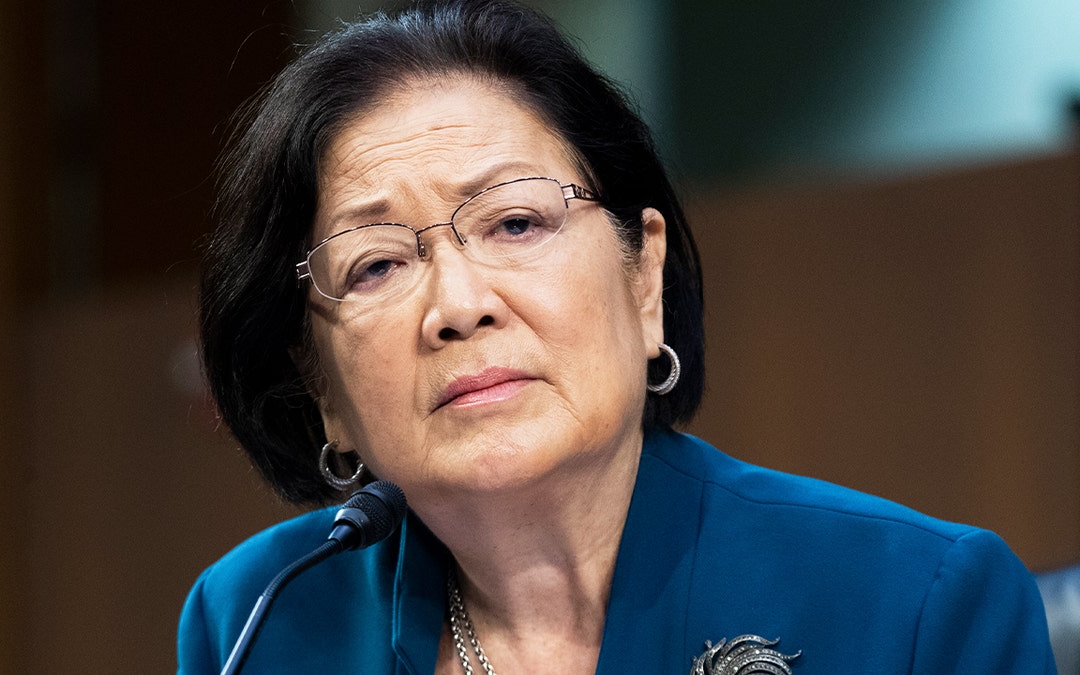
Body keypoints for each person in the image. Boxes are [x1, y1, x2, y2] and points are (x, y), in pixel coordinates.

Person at [177, 0, 1057, 672]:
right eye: (375, 266)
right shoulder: (259, 621)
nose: (459, 304)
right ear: (322, 387)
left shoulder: (918, 605)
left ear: (643, 280)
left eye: (516, 221)